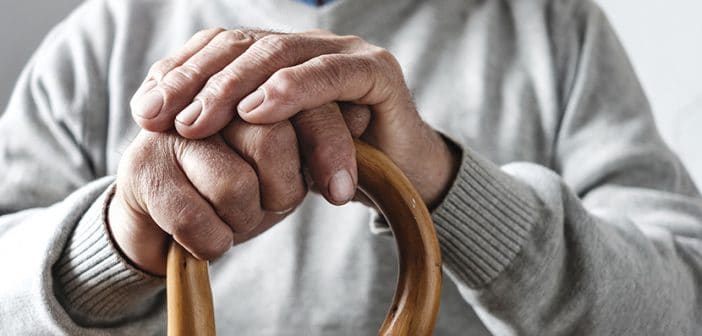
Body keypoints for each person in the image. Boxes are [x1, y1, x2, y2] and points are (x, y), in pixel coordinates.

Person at [1, 0, 700, 334]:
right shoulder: (99, 42)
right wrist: (115, 243)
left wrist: (446, 187)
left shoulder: (554, 27)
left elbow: (684, 306)